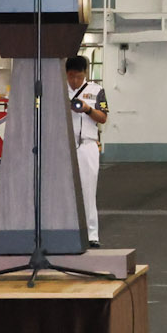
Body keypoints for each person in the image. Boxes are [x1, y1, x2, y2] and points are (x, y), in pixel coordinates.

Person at [68, 54, 108, 246]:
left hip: (87, 144)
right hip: (65, 146)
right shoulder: (58, 91)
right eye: (71, 76)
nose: (75, 81)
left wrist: (87, 109)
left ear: (85, 74)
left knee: (88, 190)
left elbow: (103, 117)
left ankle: (92, 235)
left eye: (79, 76)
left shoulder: (97, 90)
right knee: (63, 190)